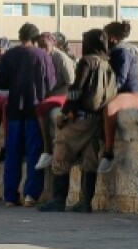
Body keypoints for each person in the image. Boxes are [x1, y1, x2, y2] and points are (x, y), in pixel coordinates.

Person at [40, 29, 117, 213]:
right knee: (90, 159)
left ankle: (58, 200)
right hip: (96, 120)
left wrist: (66, 112)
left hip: (80, 119)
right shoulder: (107, 64)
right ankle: (85, 202)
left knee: (61, 152)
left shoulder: (87, 62)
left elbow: (76, 89)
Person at [0, 23, 55, 206]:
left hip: (14, 111)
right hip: (35, 110)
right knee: (34, 151)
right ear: (35, 38)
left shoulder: (9, 56)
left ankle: (10, 196)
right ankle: (30, 195)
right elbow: (51, 84)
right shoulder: (42, 56)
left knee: (13, 152)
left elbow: (0, 84)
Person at [98, 21, 138, 174]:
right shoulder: (110, 54)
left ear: (112, 39)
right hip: (121, 94)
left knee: (110, 107)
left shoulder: (122, 53)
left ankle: (109, 152)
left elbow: (120, 80)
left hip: (133, 95)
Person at [34, 32, 75, 171]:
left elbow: (71, 82)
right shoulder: (42, 58)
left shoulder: (60, 58)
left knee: (41, 108)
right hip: (50, 93)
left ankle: (47, 149)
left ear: (52, 44)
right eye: (39, 46)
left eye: (44, 46)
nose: (42, 49)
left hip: (64, 93)